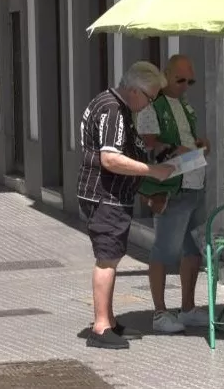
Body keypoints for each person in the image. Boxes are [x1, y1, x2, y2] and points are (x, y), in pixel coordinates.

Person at [77, 61, 175, 350]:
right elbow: (110, 158)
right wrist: (151, 171)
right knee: (107, 258)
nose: (151, 104)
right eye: (151, 97)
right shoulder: (113, 110)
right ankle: (100, 327)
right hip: (104, 196)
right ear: (135, 90)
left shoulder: (111, 104)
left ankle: (109, 320)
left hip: (108, 194)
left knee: (113, 256)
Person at [136, 54, 211, 333]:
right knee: (164, 251)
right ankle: (159, 312)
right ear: (166, 76)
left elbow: (188, 141)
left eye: (190, 81)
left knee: (193, 251)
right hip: (171, 188)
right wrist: (172, 148)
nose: (185, 85)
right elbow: (146, 144)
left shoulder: (186, 107)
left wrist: (200, 144)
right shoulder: (152, 106)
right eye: (180, 79)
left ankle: (188, 308)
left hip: (194, 183)